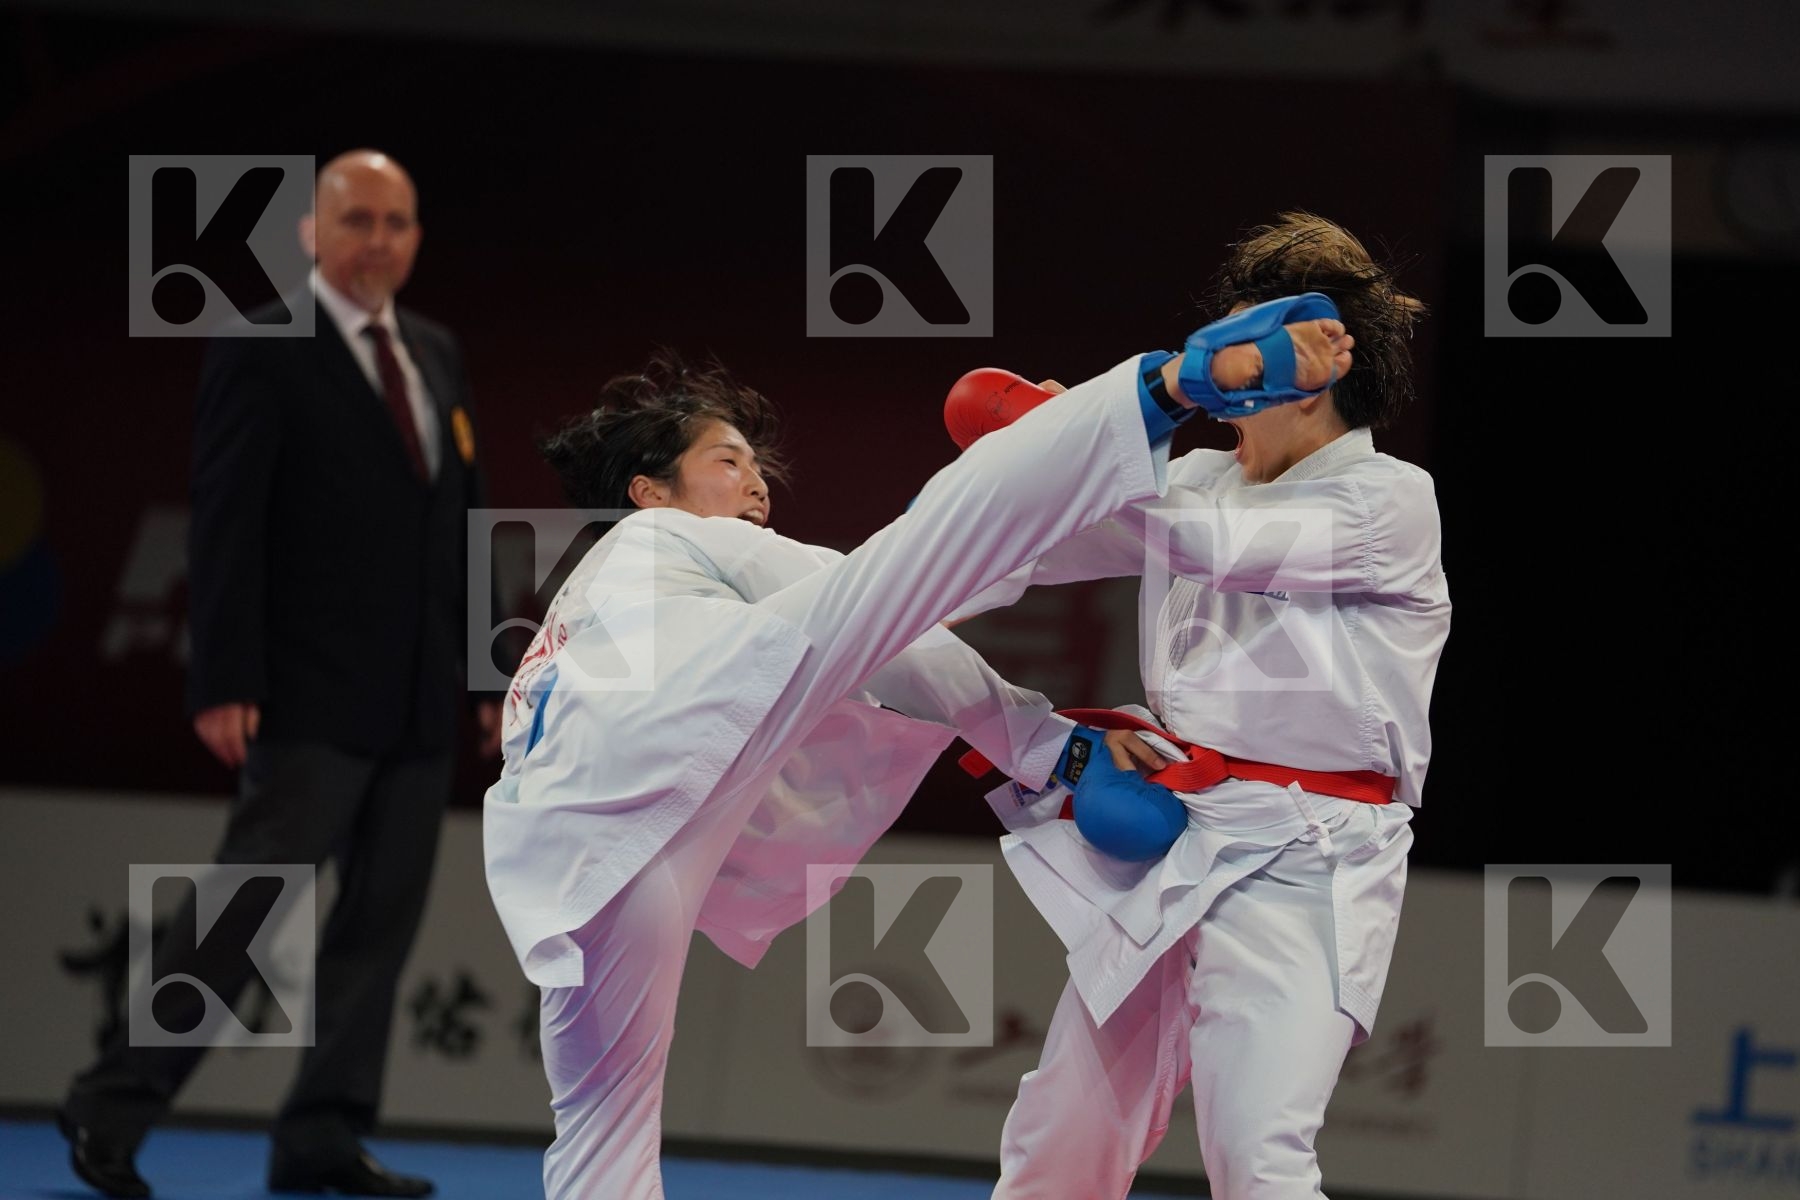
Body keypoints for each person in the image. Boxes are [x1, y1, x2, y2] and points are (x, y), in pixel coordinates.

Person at [483, 312, 1353, 1200]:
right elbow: (899, 620)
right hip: (663, 753)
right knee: (914, 564)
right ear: (648, 492)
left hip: (574, 861)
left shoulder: (575, 622)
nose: (756, 483)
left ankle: (1100, 432)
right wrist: (1061, 751)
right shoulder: (665, 536)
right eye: (728, 460)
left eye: (756, 465)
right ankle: (1171, 386)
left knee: (601, 1130)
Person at [953, 212, 1448, 1200]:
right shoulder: (1201, 476)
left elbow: (1209, 547)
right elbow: (1027, 555)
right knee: (1060, 1137)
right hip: (1178, 829)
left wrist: (1087, 437)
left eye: (1243, 349)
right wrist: (1035, 464)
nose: (1222, 370)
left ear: (1314, 367)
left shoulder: (1388, 499)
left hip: (1308, 857)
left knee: (1257, 1152)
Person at [59, 149, 499, 1199]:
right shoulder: (262, 345)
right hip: (306, 693)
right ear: (310, 231)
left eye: (396, 221)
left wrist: (489, 671)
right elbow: (225, 521)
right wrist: (223, 676)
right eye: (356, 219)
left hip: (416, 701)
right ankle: (108, 1105)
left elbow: (464, 523)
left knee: (377, 928)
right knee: (242, 912)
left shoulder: (435, 351)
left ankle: (322, 1134)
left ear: (416, 237)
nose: (377, 240)